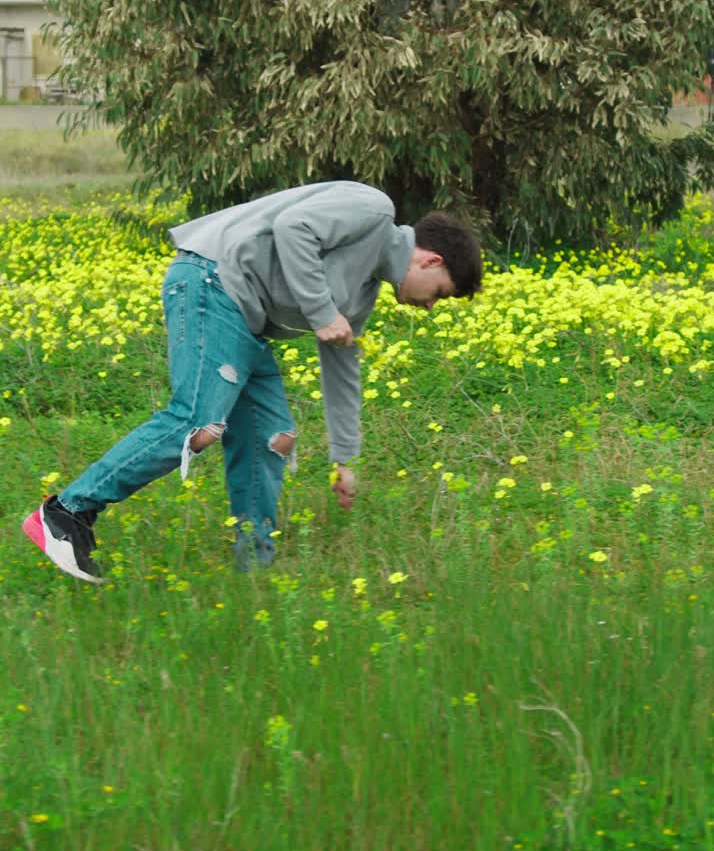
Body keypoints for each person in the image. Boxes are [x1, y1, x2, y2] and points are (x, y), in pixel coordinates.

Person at [22, 181, 482, 582]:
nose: (428, 307)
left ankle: (254, 574)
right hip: (210, 280)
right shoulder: (372, 209)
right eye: (439, 294)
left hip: (247, 320)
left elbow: (343, 366)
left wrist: (345, 459)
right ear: (430, 260)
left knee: (271, 438)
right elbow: (294, 228)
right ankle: (66, 513)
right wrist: (322, 313)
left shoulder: (364, 292)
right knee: (196, 422)